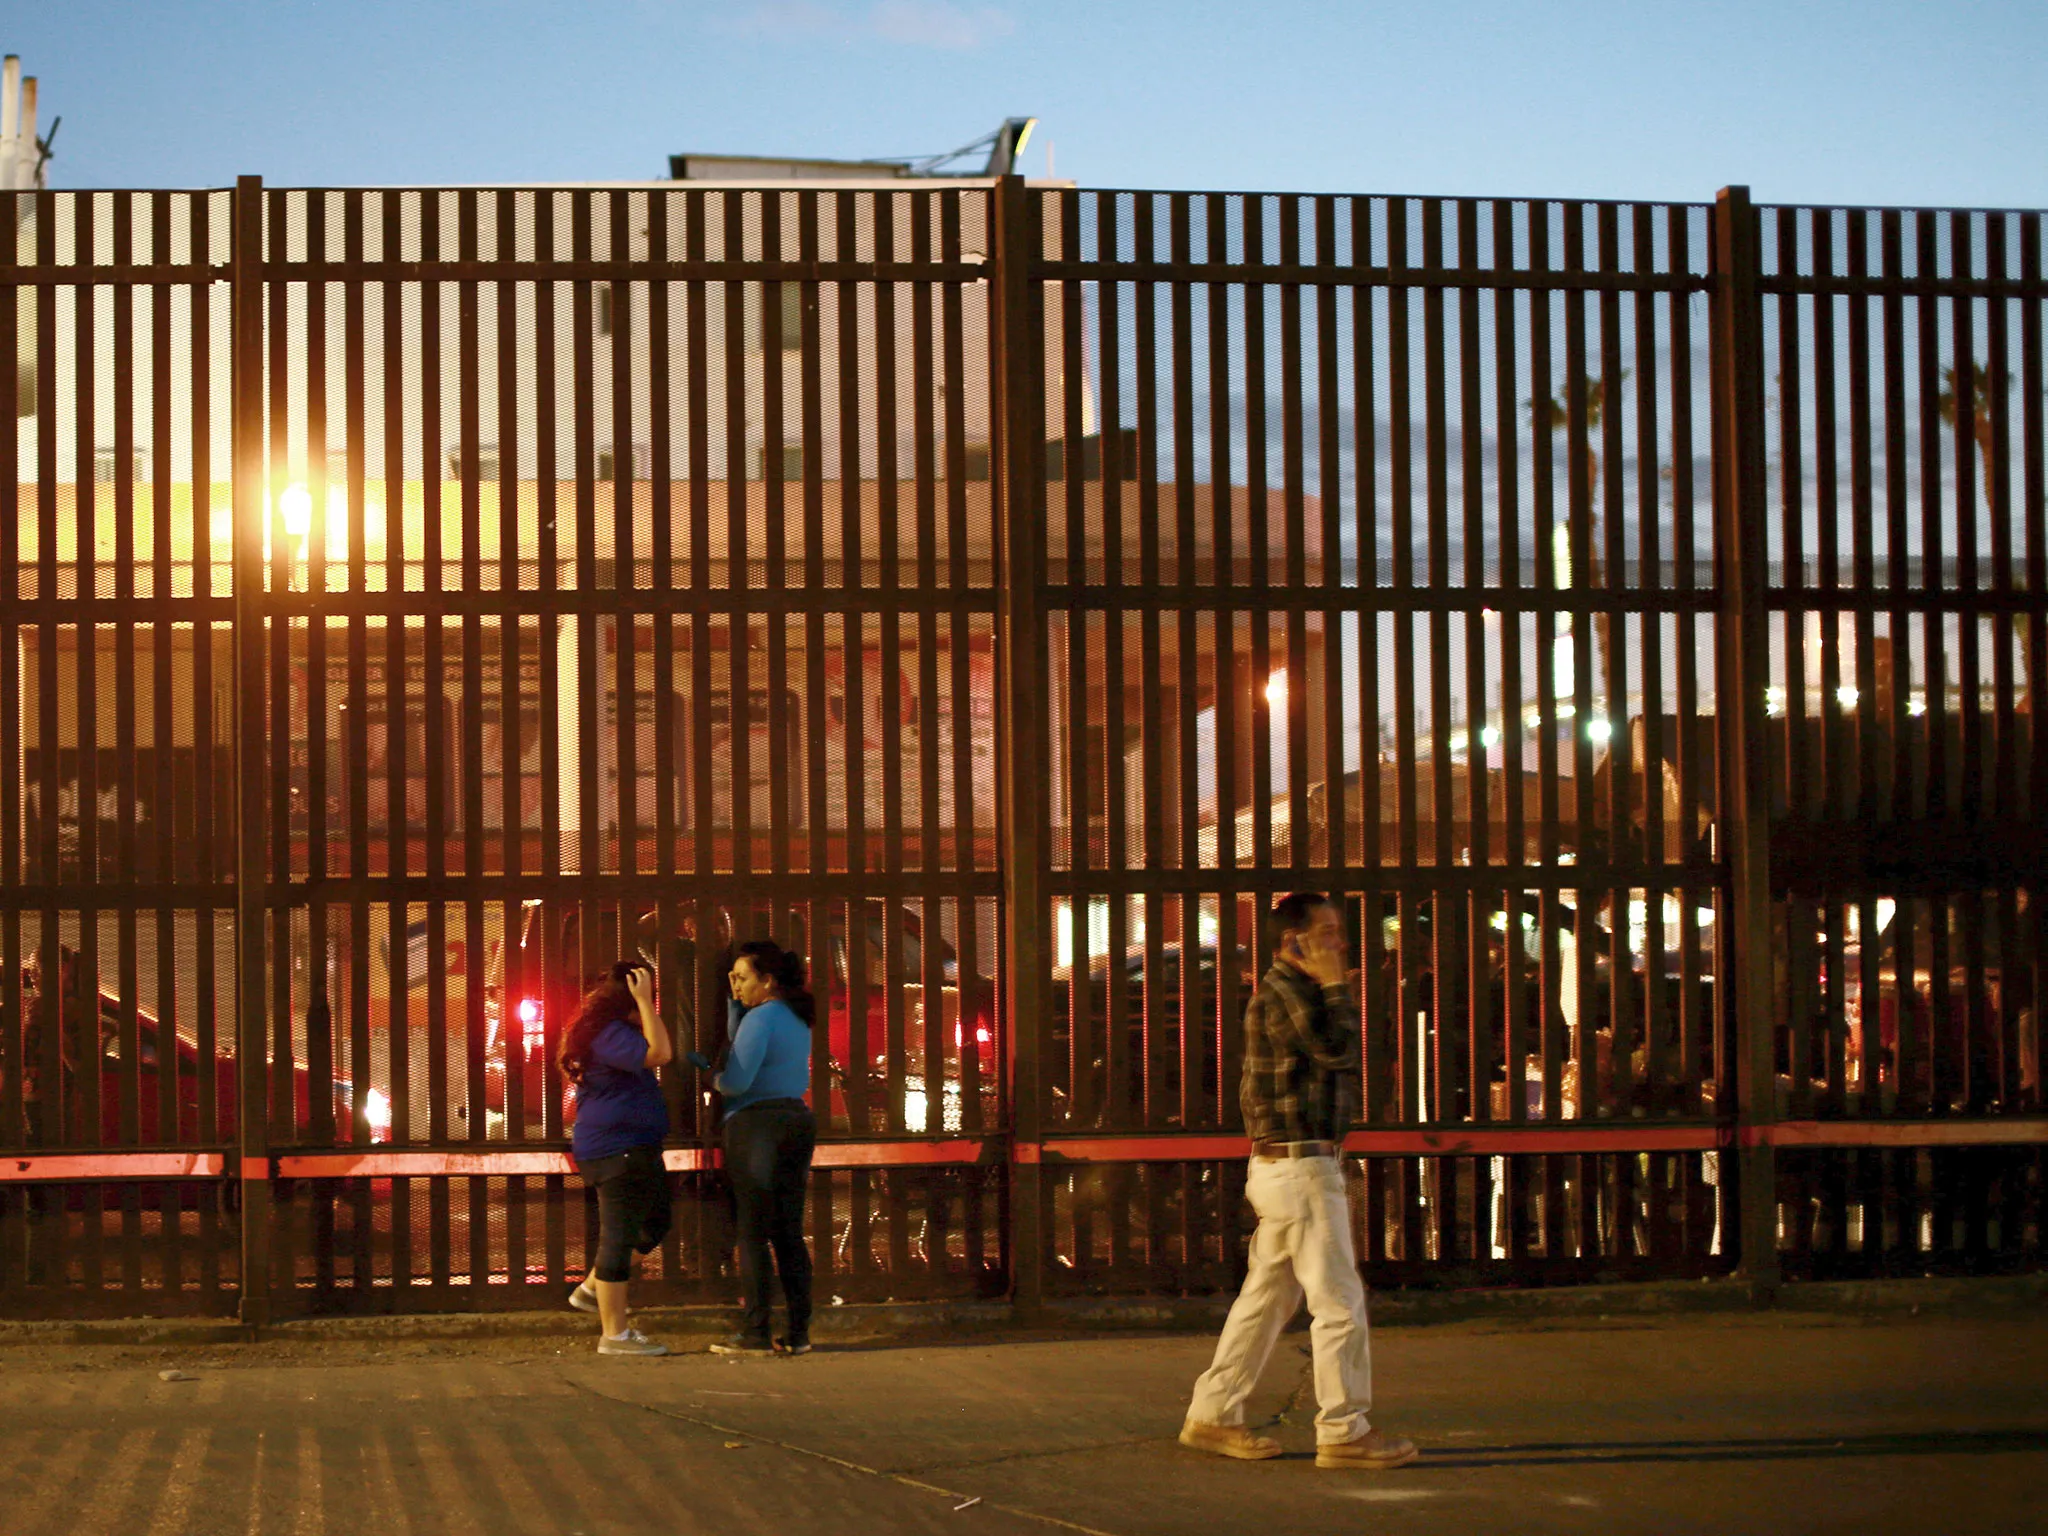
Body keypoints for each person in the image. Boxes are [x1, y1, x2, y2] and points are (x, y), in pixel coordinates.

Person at [1180, 893, 1417, 1471]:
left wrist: (1336, 989)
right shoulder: (1286, 992)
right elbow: (1337, 1050)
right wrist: (1339, 989)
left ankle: (1213, 1414)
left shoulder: (1294, 992)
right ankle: (1343, 1429)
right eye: (1328, 933)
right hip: (1301, 1168)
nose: (1340, 944)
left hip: (1290, 1167)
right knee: (1338, 1302)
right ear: (1293, 941)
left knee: (1266, 1299)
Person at [690, 938, 817, 1357]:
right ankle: (798, 1332)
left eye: (742, 978)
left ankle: (755, 1332)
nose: (735, 984)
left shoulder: (761, 1019)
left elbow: (738, 1081)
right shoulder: (795, 1017)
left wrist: (710, 1076)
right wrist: (735, 1008)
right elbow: (748, 1039)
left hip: (756, 1126)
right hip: (796, 1121)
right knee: (788, 1233)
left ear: (767, 980)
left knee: (752, 1231)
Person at [560, 960, 673, 1357]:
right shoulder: (608, 1034)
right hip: (615, 1146)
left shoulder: (617, 1032)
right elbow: (661, 1053)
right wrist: (645, 1001)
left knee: (656, 1221)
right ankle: (615, 1336)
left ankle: (593, 1289)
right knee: (618, 1238)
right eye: (646, 994)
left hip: (635, 1144)